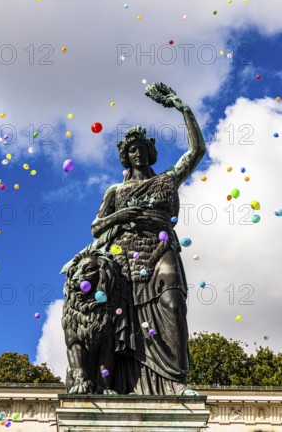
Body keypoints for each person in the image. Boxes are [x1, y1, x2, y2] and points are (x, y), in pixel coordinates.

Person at [62, 83, 206, 395]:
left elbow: (196, 152)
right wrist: (121, 217)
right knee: (121, 322)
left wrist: (182, 108)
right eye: (131, 149)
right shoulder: (115, 191)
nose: (137, 152)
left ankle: (176, 382)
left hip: (161, 247)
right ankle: (117, 384)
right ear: (125, 157)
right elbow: (96, 226)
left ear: (150, 151)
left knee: (172, 302)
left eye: (141, 147)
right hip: (124, 254)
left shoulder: (166, 179)